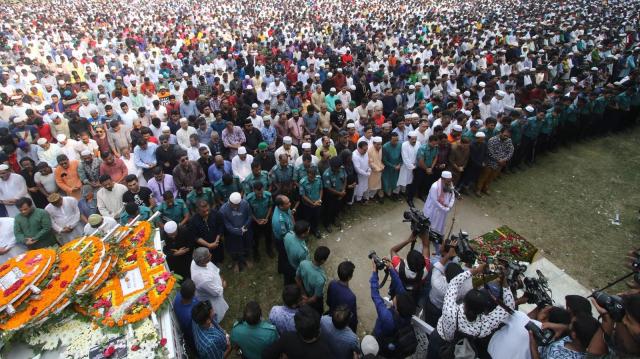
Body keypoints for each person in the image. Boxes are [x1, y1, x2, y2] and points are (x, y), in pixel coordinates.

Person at [427, 264, 515, 359]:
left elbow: (454, 283)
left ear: (464, 303)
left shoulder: (450, 310)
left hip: (440, 340)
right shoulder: (484, 326)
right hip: (460, 350)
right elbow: (509, 306)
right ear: (484, 310)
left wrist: (475, 270)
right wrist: (504, 283)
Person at [370, 256, 418, 358]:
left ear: (396, 309)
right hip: (396, 341)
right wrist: (391, 269)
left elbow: (375, 296)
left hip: (381, 340)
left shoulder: (387, 317)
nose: (393, 298)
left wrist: (374, 273)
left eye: (394, 300)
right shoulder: (407, 309)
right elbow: (400, 287)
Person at [263, 305, 332, 359]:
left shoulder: (287, 338)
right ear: (318, 327)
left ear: (296, 327)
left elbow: (266, 355)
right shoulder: (324, 349)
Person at [190, 247, 229, 323]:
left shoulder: (196, 261)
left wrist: (220, 278)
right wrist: (223, 284)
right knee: (216, 312)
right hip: (211, 299)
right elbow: (216, 292)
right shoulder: (202, 279)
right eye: (208, 255)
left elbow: (214, 270)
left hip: (215, 286)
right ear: (203, 260)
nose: (211, 255)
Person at [219, 192, 253, 272]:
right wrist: (236, 231)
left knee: (246, 245)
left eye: (239, 204)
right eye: (235, 205)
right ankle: (236, 262)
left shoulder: (245, 204)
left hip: (245, 231)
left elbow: (249, 216)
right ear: (230, 202)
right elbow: (226, 224)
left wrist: (244, 227)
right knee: (233, 249)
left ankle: (245, 260)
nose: (237, 207)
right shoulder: (223, 210)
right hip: (232, 234)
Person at [476, 126, 514, 196]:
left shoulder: (509, 141)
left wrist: (505, 159)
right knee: (484, 176)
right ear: (500, 133)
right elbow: (490, 152)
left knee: (492, 177)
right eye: (505, 135)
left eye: (508, 136)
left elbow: (511, 152)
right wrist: (498, 160)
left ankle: (485, 188)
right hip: (490, 162)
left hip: (500, 163)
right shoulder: (492, 140)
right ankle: (478, 189)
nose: (506, 137)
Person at [296, 246, 330, 314]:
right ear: (323, 260)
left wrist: (303, 293)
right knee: (318, 312)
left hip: (304, 290)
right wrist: (305, 302)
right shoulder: (320, 279)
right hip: (313, 299)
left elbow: (297, 278)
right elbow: (315, 298)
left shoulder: (303, 263)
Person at [326, 260, 358, 332]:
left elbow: (328, 302)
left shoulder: (332, 284)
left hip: (331, 315)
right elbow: (353, 319)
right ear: (350, 277)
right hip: (343, 325)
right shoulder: (351, 297)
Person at [188, 199, 224, 263]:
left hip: (217, 243)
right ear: (197, 211)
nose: (207, 213)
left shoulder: (216, 213)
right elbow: (195, 237)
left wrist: (216, 241)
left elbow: (220, 227)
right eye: (203, 211)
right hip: (203, 247)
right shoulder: (193, 221)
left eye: (208, 210)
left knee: (219, 258)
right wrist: (209, 245)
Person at [245, 181, 273, 260]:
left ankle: (269, 249)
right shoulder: (249, 198)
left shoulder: (268, 195)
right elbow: (249, 212)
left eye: (261, 192)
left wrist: (267, 218)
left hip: (266, 220)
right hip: (255, 221)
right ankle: (256, 252)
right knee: (255, 238)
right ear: (253, 190)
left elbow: (270, 206)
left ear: (263, 189)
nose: (260, 195)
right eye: (258, 193)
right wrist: (257, 220)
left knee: (268, 235)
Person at [173, 279, 199, 351]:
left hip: (187, 333)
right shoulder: (191, 313)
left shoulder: (177, 297)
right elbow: (195, 331)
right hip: (193, 336)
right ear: (193, 294)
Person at [298, 167, 323, 238]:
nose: (312, 177)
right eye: (310, 175)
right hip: (307, 205)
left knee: (316, 217)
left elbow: (321, 189)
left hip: (318, 203)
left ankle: (316, 230)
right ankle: (307, 232)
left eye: (313, 175)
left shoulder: (318, 179)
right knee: (307, 218)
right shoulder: (302, 182)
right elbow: (303, 195)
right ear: (307, 174)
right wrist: (312, 203)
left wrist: (320, 199)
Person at [382, 132, 402, 199]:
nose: (396, 142)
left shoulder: (400, 145)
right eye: (394, 140)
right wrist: (393, 166)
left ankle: (394, 193)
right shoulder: (385, 147)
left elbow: (401, 156)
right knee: (387, 181)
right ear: (390, 139)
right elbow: (384, 160)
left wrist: (399, 164)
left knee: (395, 181)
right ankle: (387, 194)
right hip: (388, 168)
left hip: (397, 167)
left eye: (397, 140)